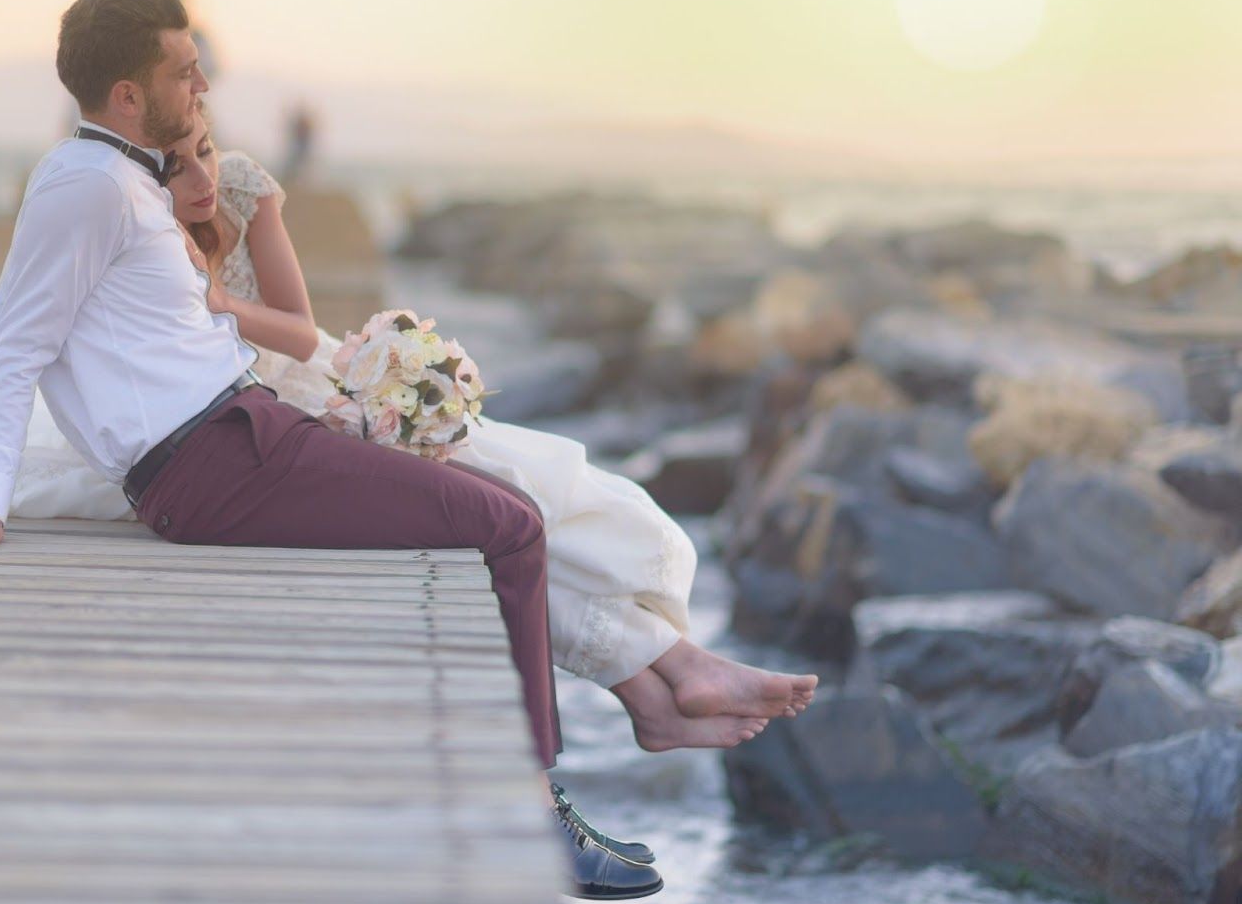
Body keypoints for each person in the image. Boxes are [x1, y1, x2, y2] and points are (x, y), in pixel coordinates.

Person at [0, 0, 662, 900]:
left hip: (246, 432)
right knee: (512, 528)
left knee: (506, 507)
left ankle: (527, 792)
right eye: (184, 69)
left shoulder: (124, 179)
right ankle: (531, 815)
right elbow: (8, 346)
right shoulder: (85, 189)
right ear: (128, 95)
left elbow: (176, 338)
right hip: (216, 462)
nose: (203, 83)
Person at [165, 110, 817, 759]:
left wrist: (230, 307)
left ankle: (669, 677)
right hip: (242, 421)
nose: (201, 170)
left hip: (312, 384)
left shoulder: (243, 183)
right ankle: (660, 685)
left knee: (518, 489)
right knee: (494, 516)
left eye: (206, 146)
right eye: (177, 161)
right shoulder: (129, 216)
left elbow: (300, 330)